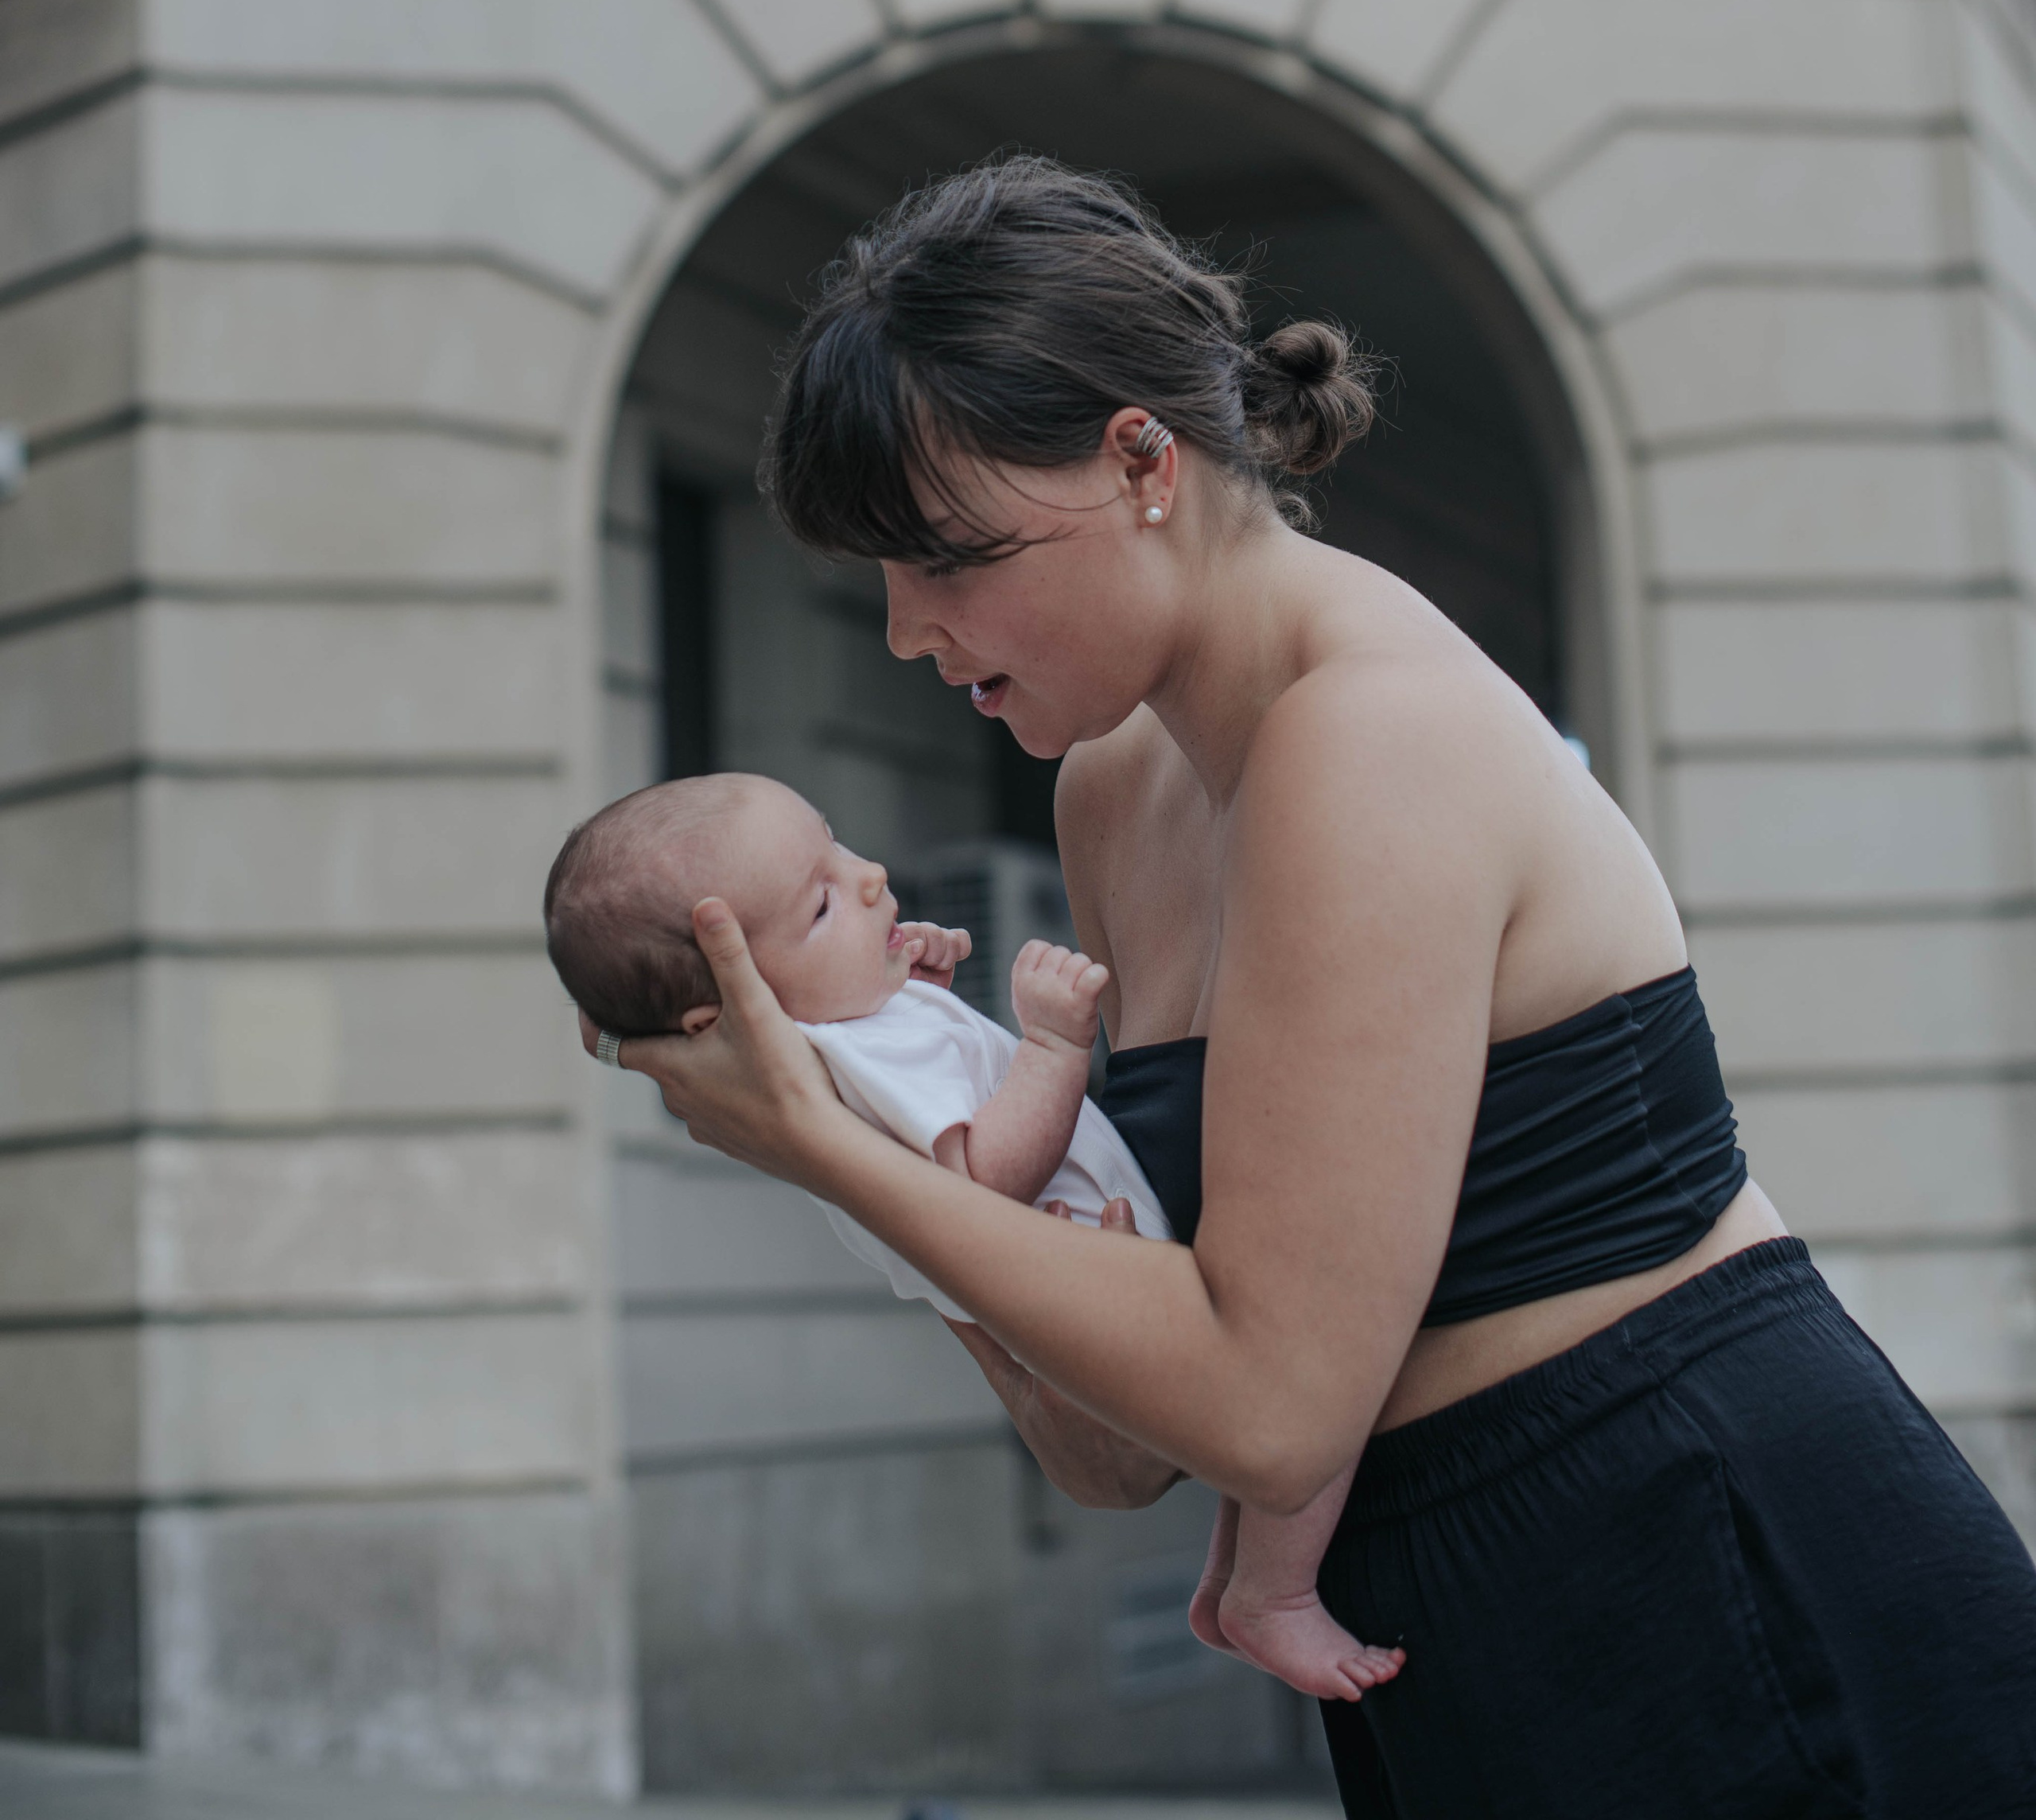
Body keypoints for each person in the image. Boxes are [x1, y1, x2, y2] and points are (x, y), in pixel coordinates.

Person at [585, 157, 2036, 1818]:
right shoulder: (1114, 785)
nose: (912, 629)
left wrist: (812, 1147)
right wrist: (877, 1135)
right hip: (1443, 1605)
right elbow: (1119, 1451)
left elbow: (1269, 1412)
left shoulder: (1368, 732)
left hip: (1700, 1544)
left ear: (1143, 459)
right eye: (881, 576)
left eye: (950, 555)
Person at [544, 768, 1404, 1701]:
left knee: (1277, 1398)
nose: (868, 875)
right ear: (734, 1014)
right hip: (1090, 1280)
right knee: (1329, 1379)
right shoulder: (850, 1056)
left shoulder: (844, 1039)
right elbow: (982, 1183)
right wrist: (1052, 1047)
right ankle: (1273, 1593)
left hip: (1111, 1268)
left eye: (836, 843)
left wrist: (917, 985)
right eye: (823, 904)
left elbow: (936, 1093)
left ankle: (1234, 1578)